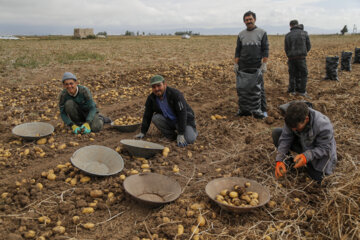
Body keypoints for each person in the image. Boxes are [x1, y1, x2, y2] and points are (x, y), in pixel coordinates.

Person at [272, 101, 337, 183]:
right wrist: (279, 160)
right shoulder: (291, 117)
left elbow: (325, 148)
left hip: (318, 153)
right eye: (291, 127)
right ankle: (288, 162)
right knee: (277, 133)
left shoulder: (323, 125)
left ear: (306, 119)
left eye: (296, 127)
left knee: (319, 179)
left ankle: (308, 164)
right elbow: (285, 138)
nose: (293, 130)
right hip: (303, 144)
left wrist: (306, 156)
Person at [134, 75, 197, 147]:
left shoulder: (175, 94)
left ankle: (192, 131)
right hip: (170, 121)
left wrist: (181, 133)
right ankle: (171, 136)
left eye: (158, 85)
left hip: (184, 120)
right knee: (156, 118)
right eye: (154, 87)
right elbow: (147, 115)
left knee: (190, 140)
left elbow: (182, 114)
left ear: (165, 85)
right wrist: (143, 132)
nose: (156, 89)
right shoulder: (151, 98)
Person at [234, 10, 269, 117]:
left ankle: (263, 110)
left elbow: (265, 49)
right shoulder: (241, 34)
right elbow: (238, 51)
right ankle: (244, 110)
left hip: (256, 65)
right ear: (244, 21)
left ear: (254, 19)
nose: (248, 21)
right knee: (243, 89)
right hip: (243, 65)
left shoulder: (262, 33)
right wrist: (236, 64)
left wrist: (264, 64)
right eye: (246, 20)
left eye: (250, 19)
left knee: (259, 89)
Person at [285, 20, 311, 97]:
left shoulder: (287, 35)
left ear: (290, 26)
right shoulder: (304, 33)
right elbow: (308, 46)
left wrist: (290, 55)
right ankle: (302, 91)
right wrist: (303, 52)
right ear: (298, 24)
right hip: (301, 58)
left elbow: (286, 48)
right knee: (304, 74)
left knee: (292, 74)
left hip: (291, 58)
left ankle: (292, 90)